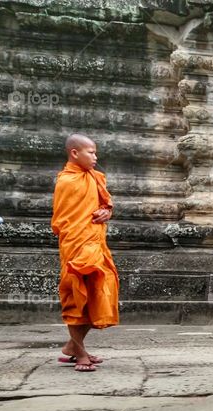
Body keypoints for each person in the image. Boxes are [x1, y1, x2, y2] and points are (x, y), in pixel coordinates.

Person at [51, 134, 120, 372]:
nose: (95, 157)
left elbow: (105, 204)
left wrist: (106, 212)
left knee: (99, 292)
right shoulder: (66, 182)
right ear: (74, 153)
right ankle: (79, 352)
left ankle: (73, 346)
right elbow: (62, 220)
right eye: (91, 152)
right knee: (76, 296)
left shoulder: (96, 177)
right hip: (75, 246)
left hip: (95, 244)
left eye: (95, 152)